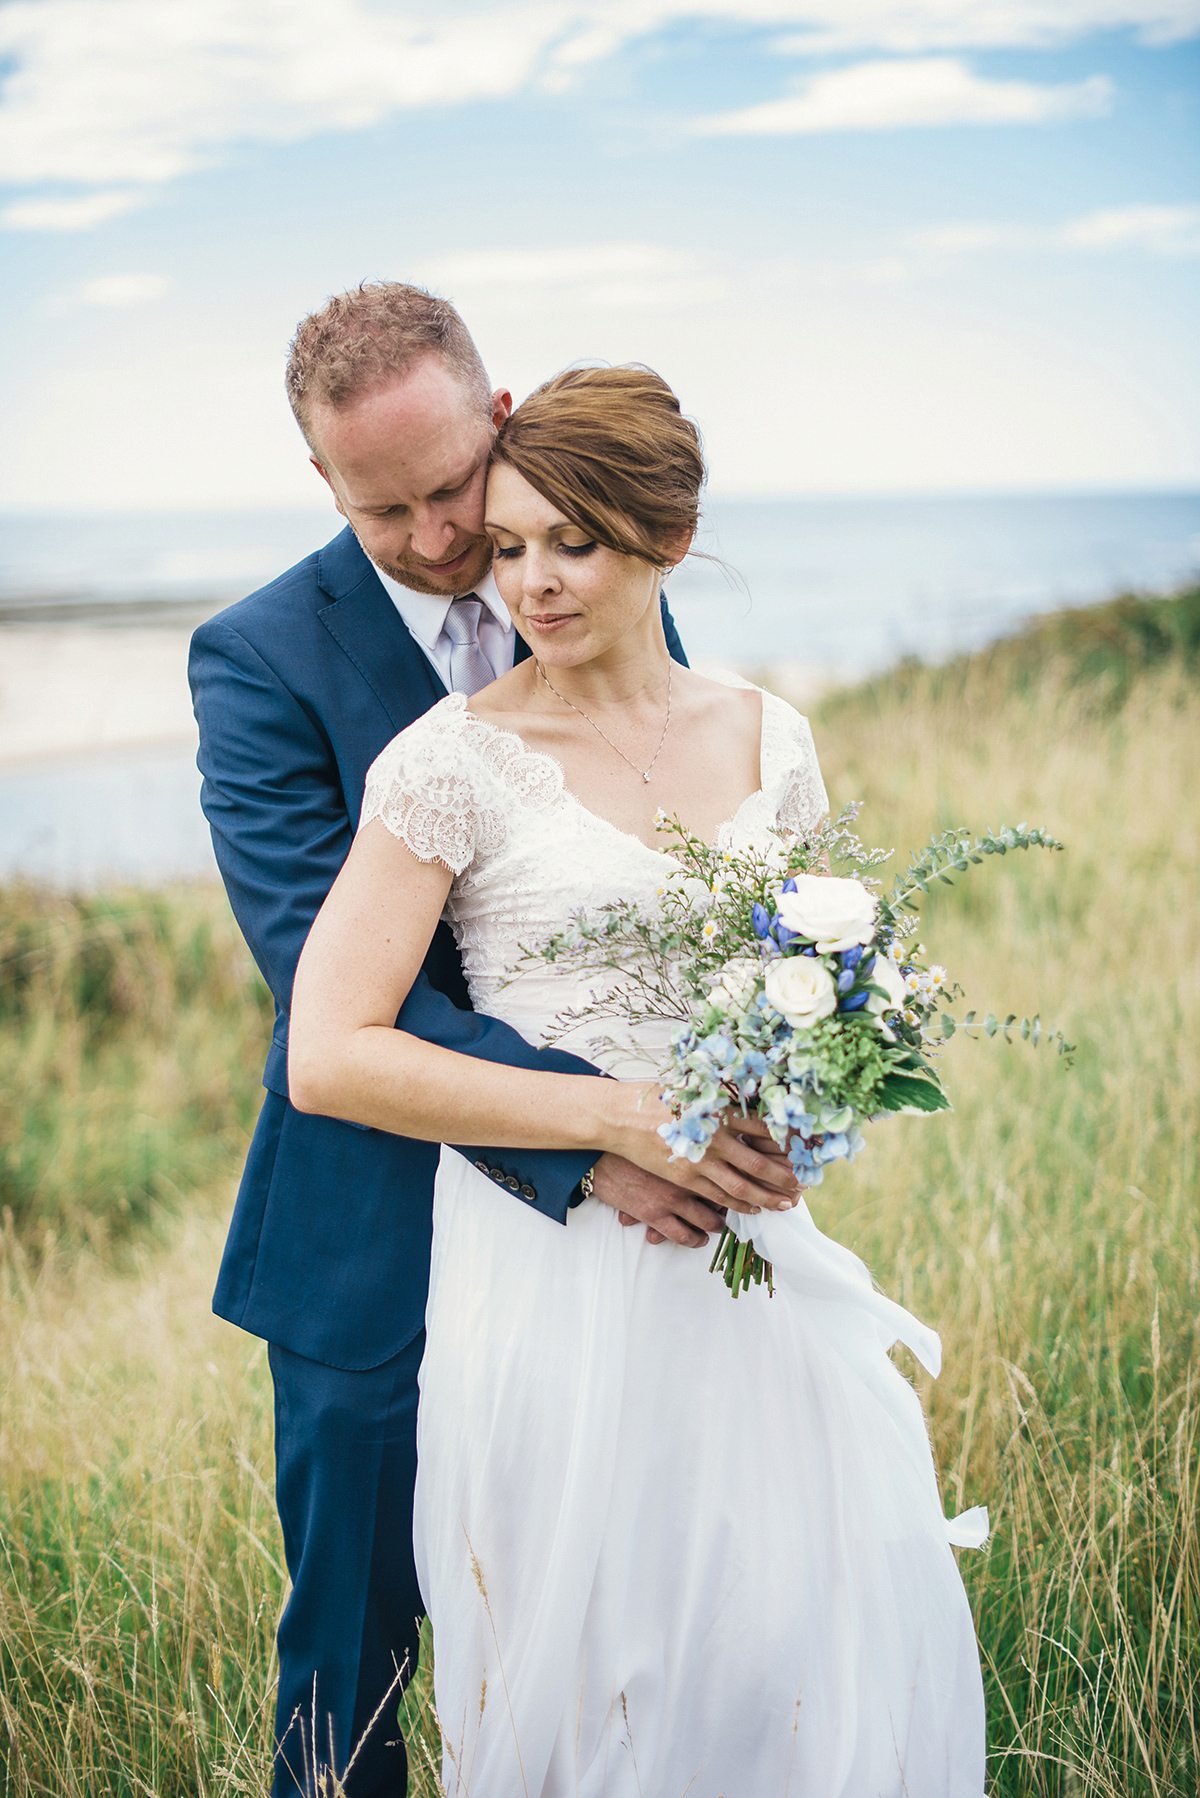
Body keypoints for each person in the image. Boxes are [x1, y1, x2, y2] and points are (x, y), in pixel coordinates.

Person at [289, 364, 988, 1796]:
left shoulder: (766, 731)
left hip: (748, 1260)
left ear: (667, 535)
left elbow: (818, 971)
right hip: (555, 1274)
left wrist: (805, 1102)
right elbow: (330, 1051)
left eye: (574, 543)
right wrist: (618, 1121)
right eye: (509, 547)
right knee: (598, 1651)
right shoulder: (449, 765)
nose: (529, 584)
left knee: (781, 1632)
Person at [188, 284, 799, 1798]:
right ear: (322, 485)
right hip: (373, 1227)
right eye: (381, 508)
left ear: (503, 413)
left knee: (657, 1624)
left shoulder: (600, 575)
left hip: (646, 1245)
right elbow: (328, 996)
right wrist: (602, 1136)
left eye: (453, 484)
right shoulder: (259, 657)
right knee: (354, 1670)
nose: (443, 538)